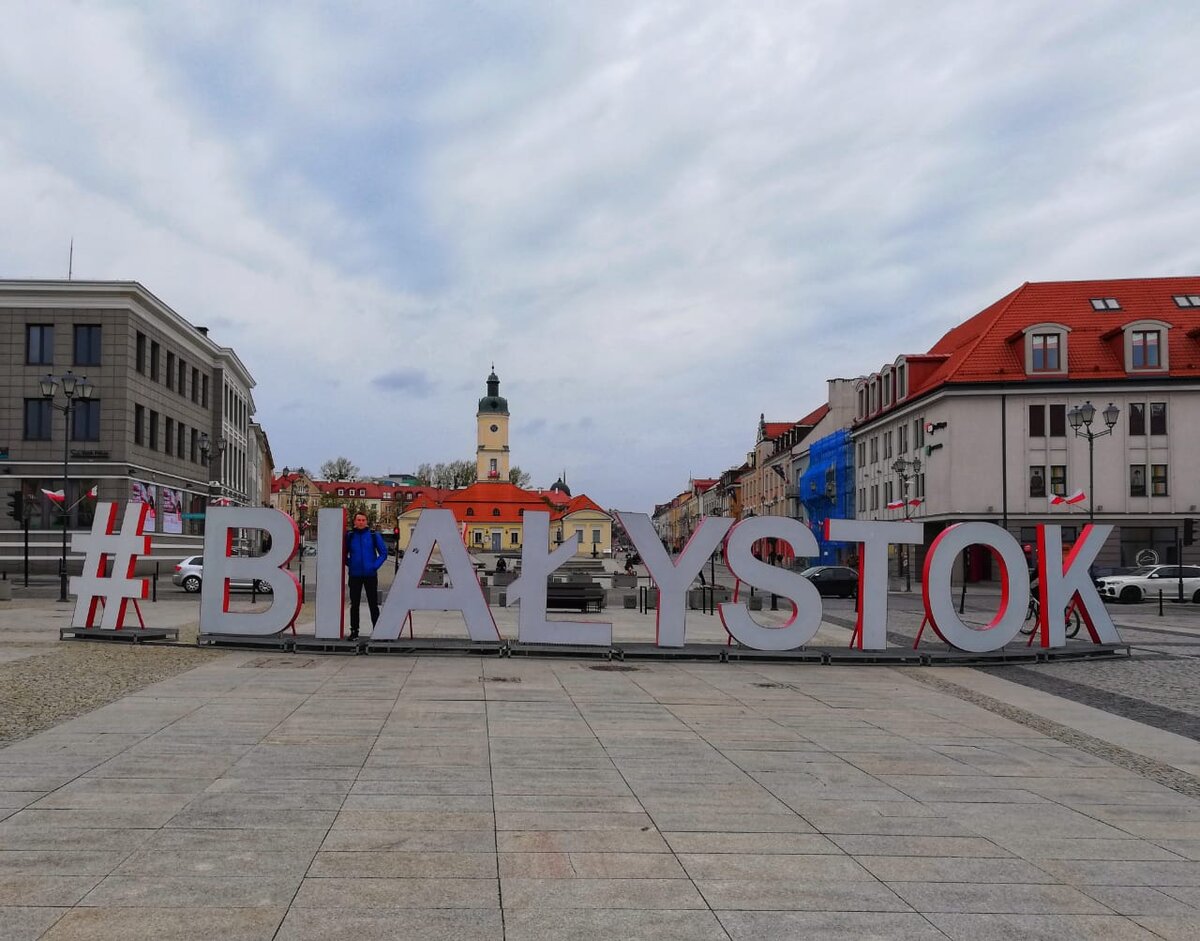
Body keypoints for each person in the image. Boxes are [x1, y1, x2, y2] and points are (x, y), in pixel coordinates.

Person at [344, 512, 387, 640]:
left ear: (366, 522)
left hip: (370, 575)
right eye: (358, 520)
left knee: (373, 603)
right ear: (355, 522)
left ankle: (377, 630)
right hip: (355, 575)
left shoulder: (374, 535)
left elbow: (383, 553)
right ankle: (354, 631)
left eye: (363, 520)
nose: (361, 522)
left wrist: (374, 566)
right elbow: (343, 553)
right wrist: (350, 564)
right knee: (354, 604)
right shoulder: (350, 536)